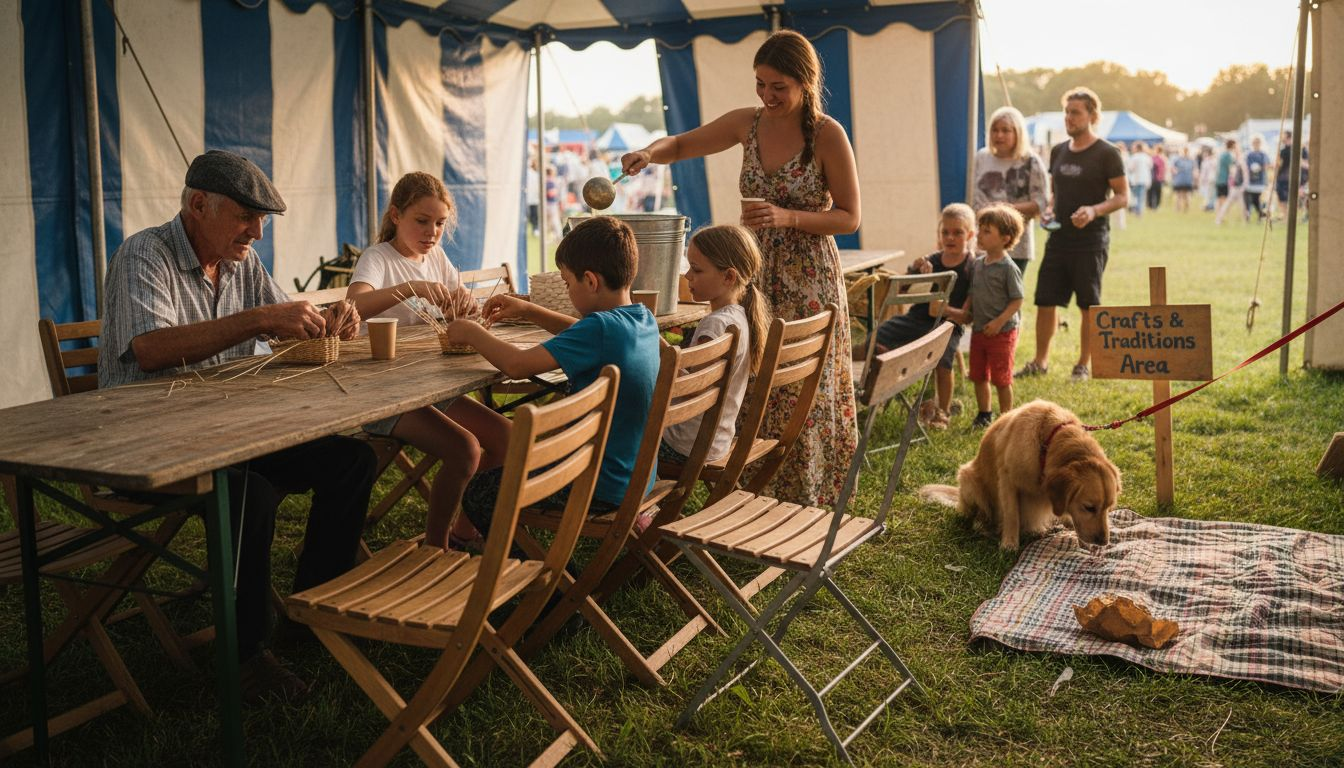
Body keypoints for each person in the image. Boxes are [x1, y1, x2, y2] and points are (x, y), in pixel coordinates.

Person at [98, 149, 375, 703]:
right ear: (198, 205)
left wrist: (331, 318)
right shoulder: (143, 254)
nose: (257, 233)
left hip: (226, 433)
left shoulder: (240, 260)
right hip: (147, 447)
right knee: (250, 496)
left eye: (262, 221)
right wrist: (262, 318)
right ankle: (244, 657)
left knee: (353, 460)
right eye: (247, 218)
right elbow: (151, 349)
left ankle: (309, 614)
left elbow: (284, 323)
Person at [620, 30, 860, 506]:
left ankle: (804, 497)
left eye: (779, 87)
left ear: (805, 83)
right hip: (751, 273)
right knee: (749, 378)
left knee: (798, 384)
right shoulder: (745, 124)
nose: (767, 96)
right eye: (760, 83)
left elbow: (850, 218)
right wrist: (649, 153)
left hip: (808, 277)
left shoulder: (827, 134)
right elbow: (684, 144)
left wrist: (787, 216)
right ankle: (748, 492)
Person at [441, 216, 660, 537]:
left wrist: (472, 333)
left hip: (596, 482)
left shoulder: (599, 328)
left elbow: (516, 365)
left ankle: (547, 579)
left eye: (567, 283)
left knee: (482, 492)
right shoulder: (641, 319)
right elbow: (584, 335)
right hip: (633, 476)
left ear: (590, 281)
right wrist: (530, 311)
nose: (568, 291)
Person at [346, 172, 512, 551]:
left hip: (428, 385)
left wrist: (463, 305)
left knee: (505, 435)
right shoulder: (379, 259)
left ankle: (465, 531)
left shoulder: (434, 256)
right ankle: (436, 548)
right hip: (380, 392)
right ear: (395, 216)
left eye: (439, 223)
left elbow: (456, 305)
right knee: (466, 448)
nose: (432, 232)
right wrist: (411, 287)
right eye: (422, 221)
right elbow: (353, 305)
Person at [1017, 87, 1128, 383]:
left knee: (1087, 304)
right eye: (1067, 112)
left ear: (1092, 115)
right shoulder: (1058, 151)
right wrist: (1050, 211)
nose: (1069, 118)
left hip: (1091, 241)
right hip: (1058, 239)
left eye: (1075, 112)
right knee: (1045, 299)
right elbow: (1056, 194)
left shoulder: (1108, 153)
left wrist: (1093, 211)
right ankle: (1040, 361)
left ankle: (1082, 364)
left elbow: (1122, 197)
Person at [660, 225, 768, 465]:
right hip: (716, 441)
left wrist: (660, 353)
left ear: (728, 277)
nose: (688, 276)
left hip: (684, 446)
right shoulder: (741, 316)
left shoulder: (715, 326)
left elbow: (693, 390)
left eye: (696, 270)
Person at [871, 204, 975, 430]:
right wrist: (914, 270)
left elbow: (968, 315)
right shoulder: (931, 261)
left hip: (948, 324)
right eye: (945, 232)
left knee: (943, 360)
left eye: (958, 232)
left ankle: (942, 411)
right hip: (916, 319)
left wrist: (944, 309)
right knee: (875, 338)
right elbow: (902, 291)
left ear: (970, 235)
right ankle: (872, 394)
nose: (950, 237)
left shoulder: (972, 267)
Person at [965, 204, 1026, 428]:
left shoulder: (1008, 268)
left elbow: (1017, 299)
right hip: (980, 329)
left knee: (1001, 377)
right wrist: (966, 312)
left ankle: (1006, 419)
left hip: (1002, 332)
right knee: (979, 375)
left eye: (987, 231)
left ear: (1005, 238)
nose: (980, 234)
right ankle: (984, 414)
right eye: (980, 229)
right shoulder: (978, 264)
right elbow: (973, 292)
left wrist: (999, 322)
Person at [972, 106, 1048, 276]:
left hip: (1016, 246)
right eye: (995, 130)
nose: (999, 135)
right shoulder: (981, 157)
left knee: (1009, 296)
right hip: (982, 244)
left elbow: (1041, 202)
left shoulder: (1030, 161)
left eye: (1005, 130)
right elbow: (973, 198)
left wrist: (1003, 211)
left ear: (1018, 133)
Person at [1242, 135, 1269, 223]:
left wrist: (1259, 168)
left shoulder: (1263, 154)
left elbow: (1266, 165)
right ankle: (1249, 214)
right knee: (1250, 199)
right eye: (1254, 142)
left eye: (1258, 142)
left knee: (1259, 200)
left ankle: (1261, 215)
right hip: (1251, 181)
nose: (1256, 144)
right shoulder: (1249, 154)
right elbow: (1246, 166)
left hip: (1260, 181)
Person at [1213, 139, 1238, 225]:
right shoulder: (1228, 155)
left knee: (1220, 199)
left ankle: (1219, 217)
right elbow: (1231, 168)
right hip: (1224, 180)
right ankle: (1220, 217)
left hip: (1219, 179)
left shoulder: (1222, 154)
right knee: (1223, 200)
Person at [1125, 142, 1151, 217]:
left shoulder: (1134, 157)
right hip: (1144, 179)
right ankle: (1139, 211)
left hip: (1136, 180)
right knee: (1141, 196)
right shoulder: (1146, 157)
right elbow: (1150, 167)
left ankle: (1137, 211)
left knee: (1135, 196)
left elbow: (1130, 168)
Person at [1170, 146, 1196, 213]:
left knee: (1185, 195)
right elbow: (1172, 168)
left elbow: (1194, 170)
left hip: (1186, 179)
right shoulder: (1178, 159)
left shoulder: (1190, 160)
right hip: (1180, 179)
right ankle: (1179, 208)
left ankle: (1185, 208)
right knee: (1180, 195)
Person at [1148, 145, 1166, 211]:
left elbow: (1162, 169)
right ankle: (1151, 206)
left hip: (1157, 178)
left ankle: (1155, 206)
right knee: (1151, 192)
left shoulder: (1161, 158)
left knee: (1156, 193)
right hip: (1153, 178)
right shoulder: (1153, 157)